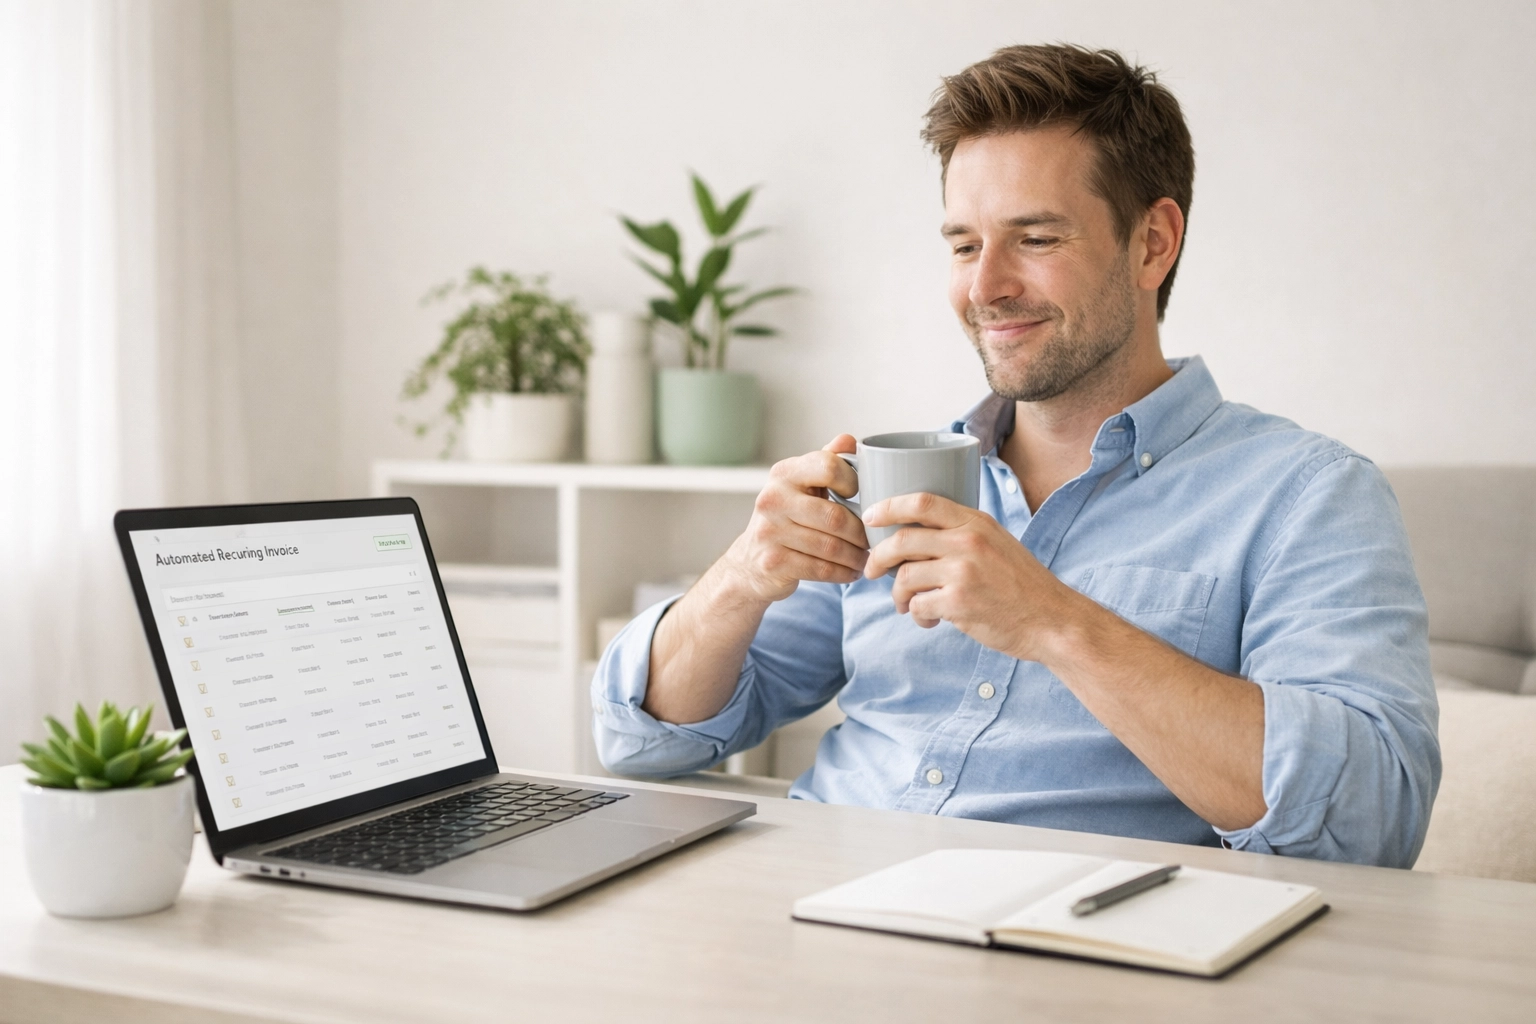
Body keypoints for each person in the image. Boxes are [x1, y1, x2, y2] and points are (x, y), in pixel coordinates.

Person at [591, 44, 1439, 867]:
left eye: (1034, 239)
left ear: (1152, 243)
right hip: (810, 903)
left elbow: (1371, 823)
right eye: (964, 245)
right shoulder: (894, 480)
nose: (984, 287)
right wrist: (741, 579)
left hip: (1069, 937)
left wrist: (1053, 621)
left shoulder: (1307, 495)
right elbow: (641, 741)